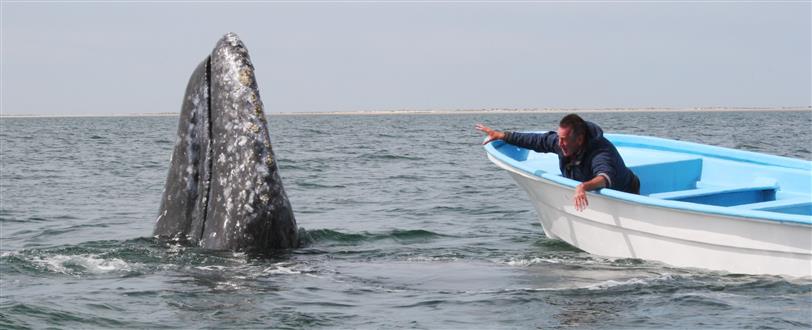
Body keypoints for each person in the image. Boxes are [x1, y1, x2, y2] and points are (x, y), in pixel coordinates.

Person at [476, 113, 640, 211]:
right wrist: (502, 135)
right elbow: (536, 141)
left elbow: (604, 177)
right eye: (559, 138)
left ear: (580, 139)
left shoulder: (600, 151)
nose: (559, 144)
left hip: (624, 192)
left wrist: (583, 186)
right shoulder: (562, 142)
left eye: (564, 140)